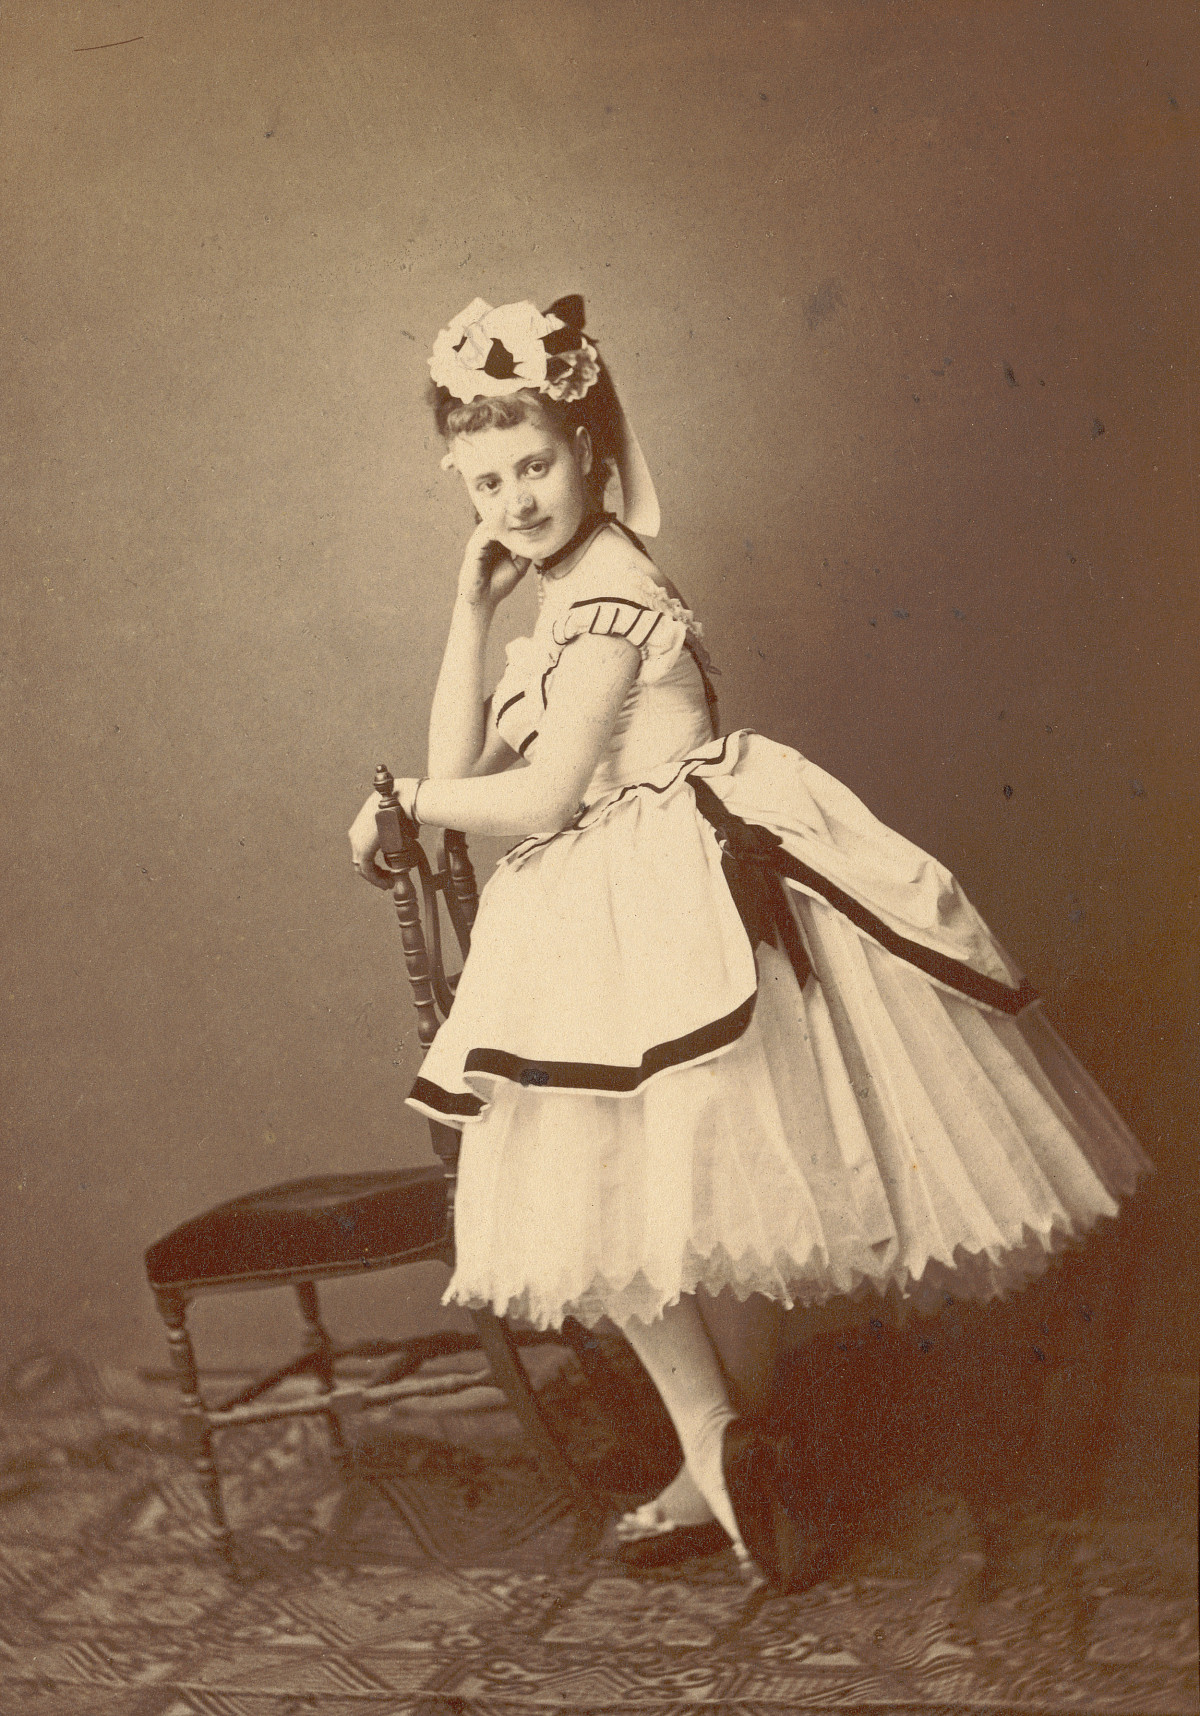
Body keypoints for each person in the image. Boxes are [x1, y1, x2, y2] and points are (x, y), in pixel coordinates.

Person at [349, 294, 1149, 1587]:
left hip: (670, 893)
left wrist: (402, 805)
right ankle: (716, 1452)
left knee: (660, 1185)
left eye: (537, 465)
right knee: (664, 1195)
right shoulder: (544, 608)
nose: (515, 501)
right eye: (487, 481)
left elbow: (537, 800)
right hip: (599, 909)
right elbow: (457, 764)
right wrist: (466, 611)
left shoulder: (614, 590)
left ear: (592, 451)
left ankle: (717, 1445)